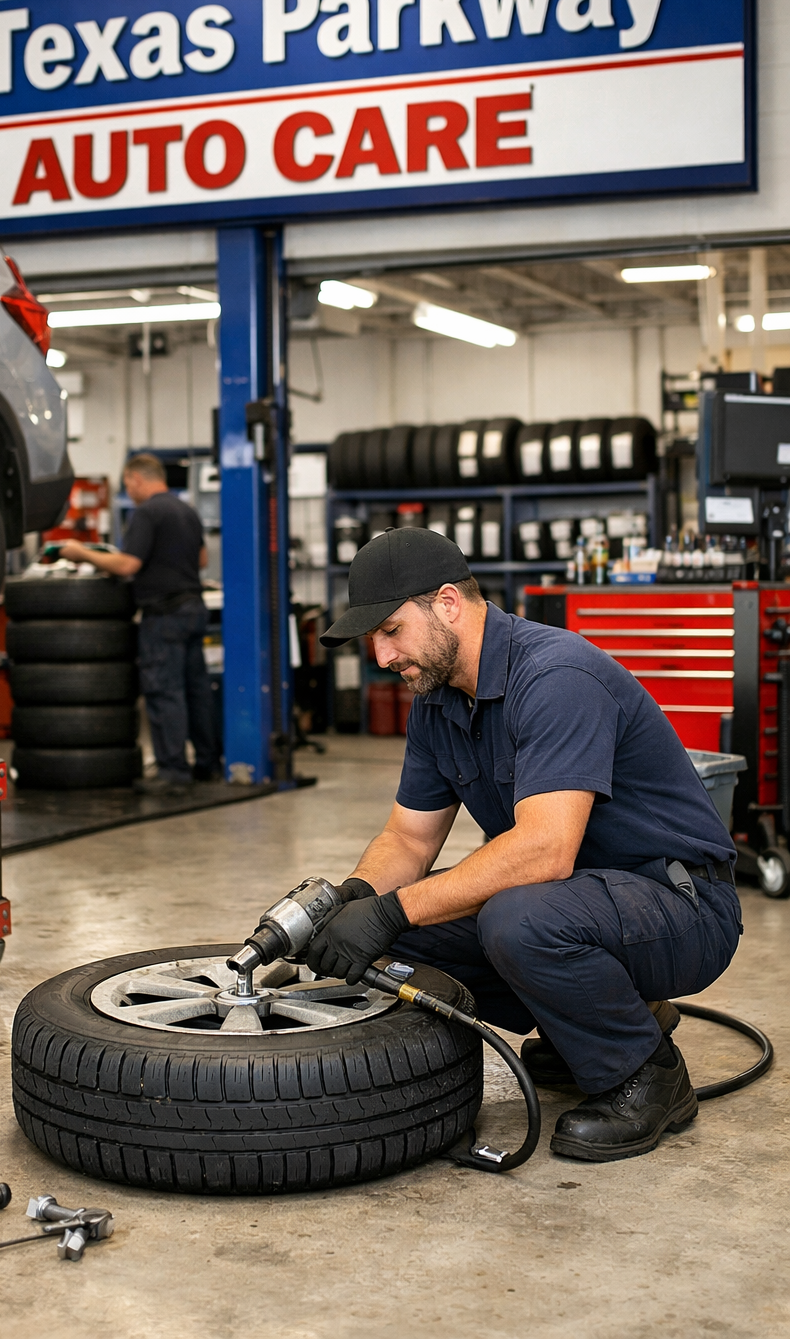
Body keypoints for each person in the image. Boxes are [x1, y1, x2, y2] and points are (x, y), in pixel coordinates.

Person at [304, 527, 742, 1163]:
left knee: (517, 918)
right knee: (392, 937)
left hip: (681, 904)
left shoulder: (555, 676)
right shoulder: (436, 701)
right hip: (581, 901)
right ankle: (601, 1022)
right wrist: (355, 899)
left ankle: (647, 1075)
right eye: (373, 638)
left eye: (391, 630)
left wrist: (394, 909)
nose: (381, 655)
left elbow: (544, 850)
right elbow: (409, 836)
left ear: (447, 603)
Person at [59, 452, 221, 793]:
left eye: (127, 484)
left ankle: (173, 773)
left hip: (163, 615)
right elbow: (202, 558)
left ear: (136, 479)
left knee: (164, 692)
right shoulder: (186, 510)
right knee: (197, 692)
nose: (128, 491)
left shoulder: (147, 512)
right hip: (193, 609)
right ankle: (208, 765)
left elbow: (128, 565)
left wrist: (82, 552)